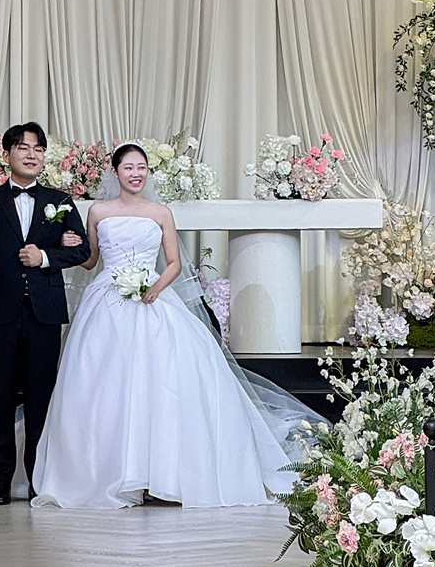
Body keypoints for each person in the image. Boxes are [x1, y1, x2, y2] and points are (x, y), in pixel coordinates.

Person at [31, 142, 317, 509]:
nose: (136, 174)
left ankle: (163, 475)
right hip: (107, 299)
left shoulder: (161, 212)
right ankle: (111, 473)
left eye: (142, 167)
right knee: (105, 381)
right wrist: (69, 243)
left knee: (162, 380)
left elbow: (174, 263)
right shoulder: (98, 211)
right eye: (129, 167)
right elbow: (90, 261)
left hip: (153, 295)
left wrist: (155, 288)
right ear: (115, 172)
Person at [0, 123, 93, 504]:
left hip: (44, 314)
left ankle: (39, 480)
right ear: (7, 155)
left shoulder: (60, 200)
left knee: (41, 400)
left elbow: (83, 250)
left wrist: (46, 256)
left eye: (37, 148)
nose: (31, 154)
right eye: (23, 147)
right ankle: (1, 483)